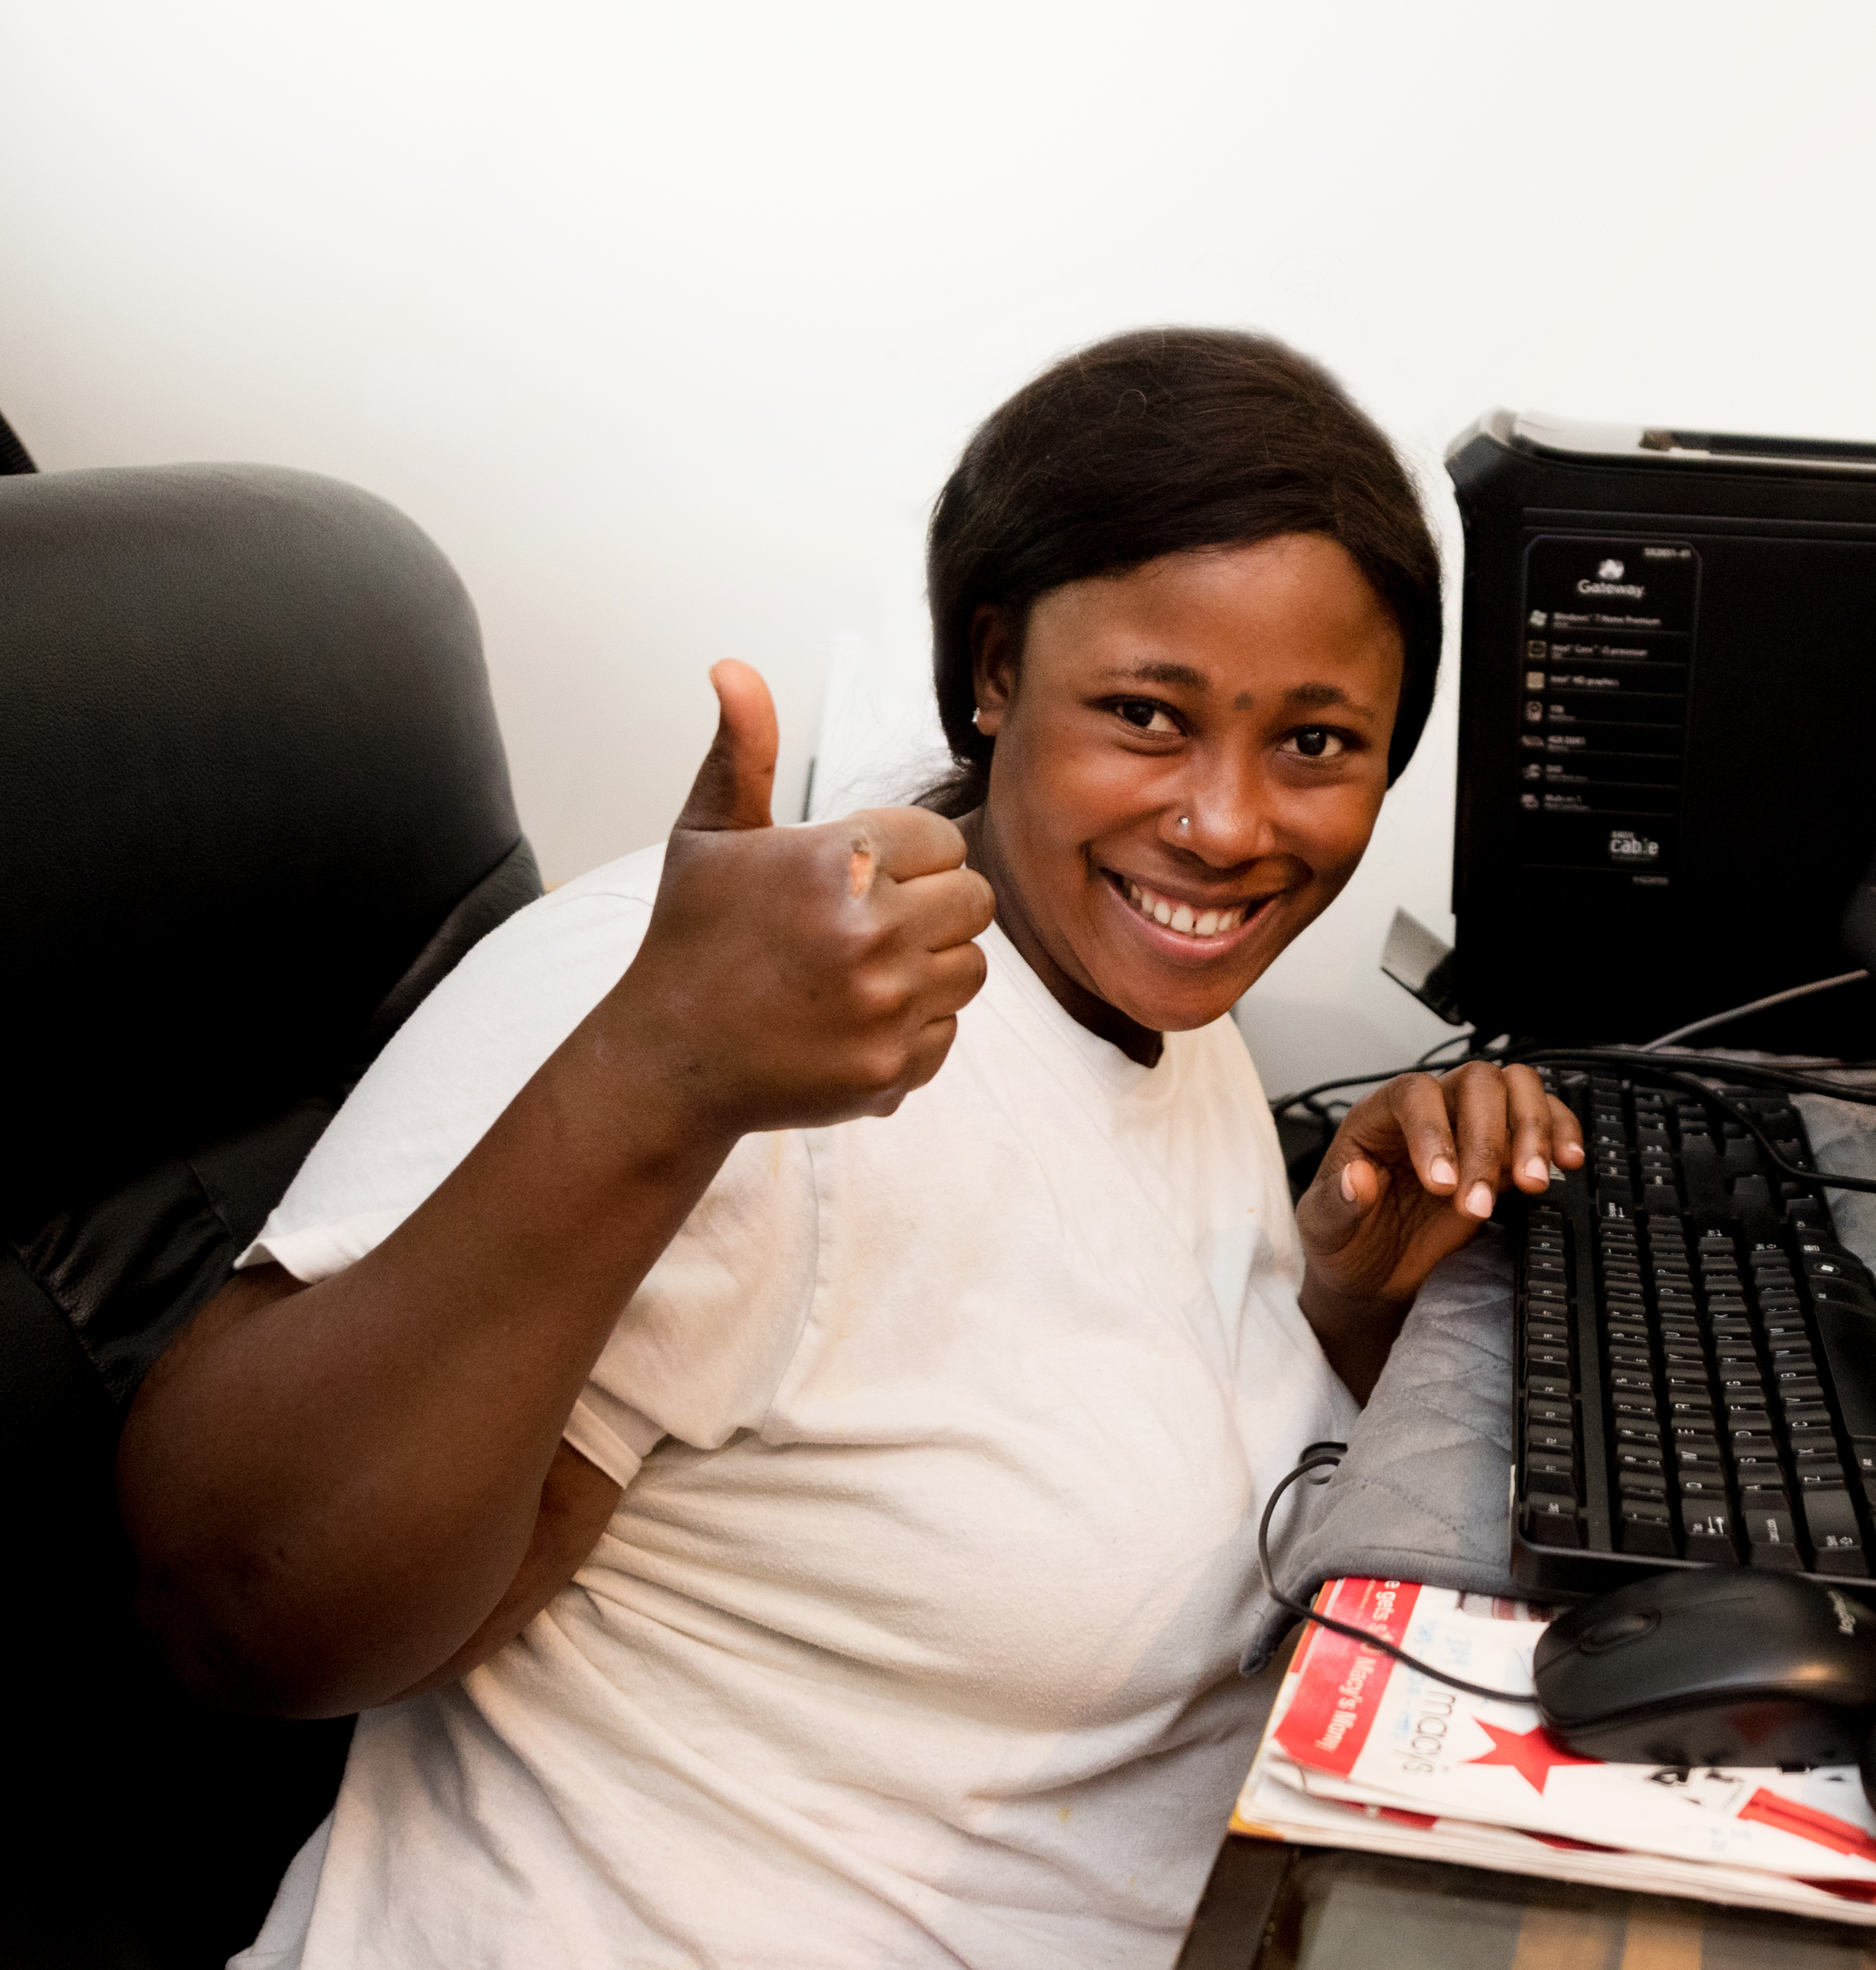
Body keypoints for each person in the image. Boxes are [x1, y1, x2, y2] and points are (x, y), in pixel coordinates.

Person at [116, 328, 1580, 1968]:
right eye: (1149, 713)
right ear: (995, 673)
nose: (1230, 824)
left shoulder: (1137, 997)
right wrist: (655, 1077)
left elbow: (1022, 1409)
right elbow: (243, 1608)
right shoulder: (738, 1022)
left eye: (1316, 743)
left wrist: (1334, 1303)